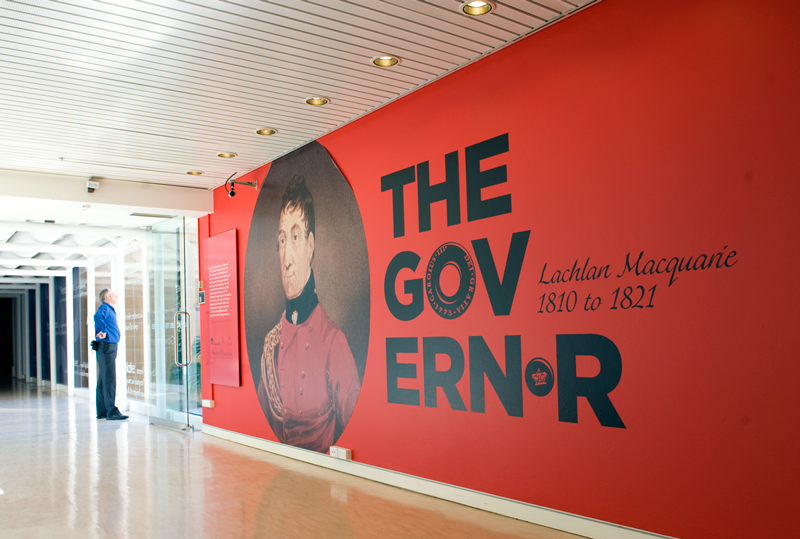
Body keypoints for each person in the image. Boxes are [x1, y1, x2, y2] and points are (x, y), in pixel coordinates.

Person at [257, 175, 361, 453]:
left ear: (310, 245)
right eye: (282, 240)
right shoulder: (270, 346)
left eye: (295, 238)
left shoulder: (333, 342)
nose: (287, 258)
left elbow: (360, 428)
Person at [94, 289, 128, 421]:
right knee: (109, 379)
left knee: (103, 380)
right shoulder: (105, 309)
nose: (116, 295)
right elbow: (97, 317)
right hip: (107, 347)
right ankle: (111, 412)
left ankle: (103, 411)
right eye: (114, 294)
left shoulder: (108, 309)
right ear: (107, 297)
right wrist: (102, 331)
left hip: (107, 347)